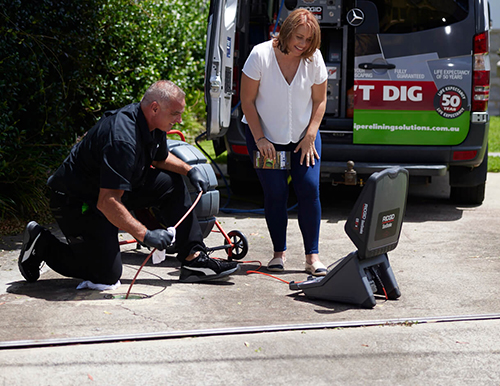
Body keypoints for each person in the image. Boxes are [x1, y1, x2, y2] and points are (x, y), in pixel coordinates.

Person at [18, 80, 239, 285]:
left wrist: (189, 170)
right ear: (154, 108)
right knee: (106, 273)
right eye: (175, 114)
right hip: (78, 200)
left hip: (112, 190)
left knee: (170, 182)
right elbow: (107, 202)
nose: (179, 120)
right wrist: (145, 234)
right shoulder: (122, 139)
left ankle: (194, 260)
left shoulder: (152, 124)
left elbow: (159, 157)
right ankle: (43, 244)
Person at [240, 9, 328, 276]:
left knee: (309, 187)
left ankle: (312, 257)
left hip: (304, 137)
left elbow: (320, 100)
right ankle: (279, 253)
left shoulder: (314, 59)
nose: (303, 45)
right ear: (287, 32)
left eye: (309, 40)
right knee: (276, 192)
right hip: (263, 137)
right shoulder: (260, 55)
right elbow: (247, 101)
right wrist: (260, 139)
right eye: (299, 37)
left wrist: (311, 134)